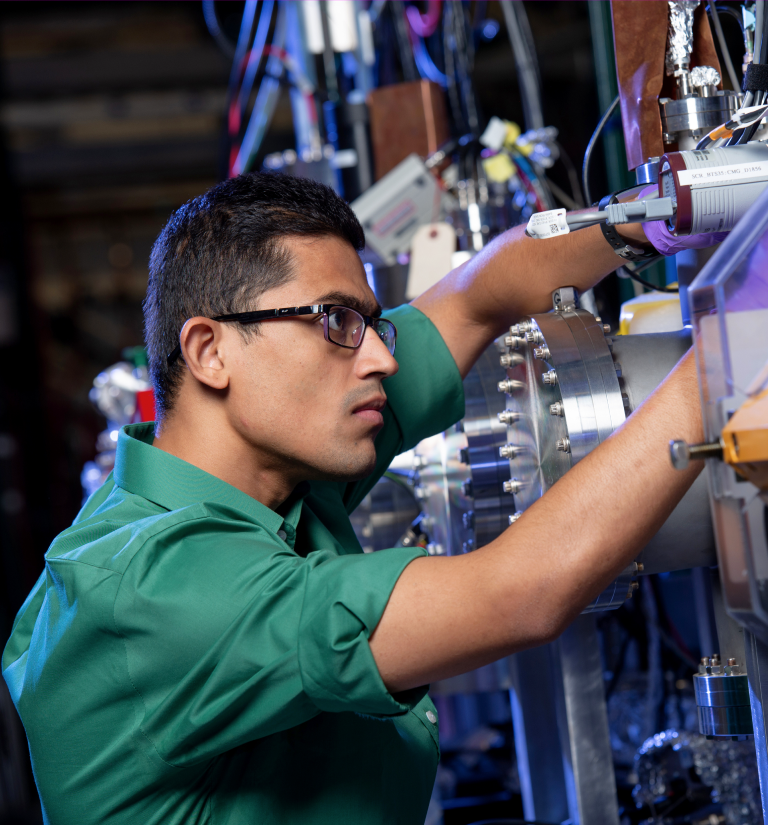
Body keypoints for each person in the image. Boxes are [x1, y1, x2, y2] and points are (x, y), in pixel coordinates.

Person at [3, 173, 710, 824]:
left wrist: (664, 213)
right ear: (210, 351)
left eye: (372, 323)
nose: (381, 356)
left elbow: (474, 297)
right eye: (336, 321)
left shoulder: (275, 468)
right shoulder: (158, 590)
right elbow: (520, 593)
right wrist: (731, 345)